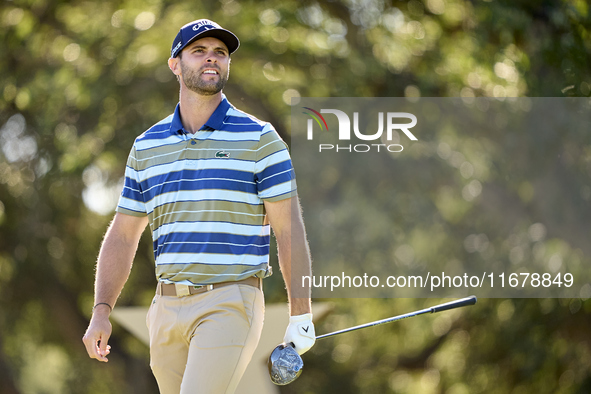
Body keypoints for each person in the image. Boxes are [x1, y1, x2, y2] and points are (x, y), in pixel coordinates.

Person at [82, 19, 315, 394]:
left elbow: (288, 228)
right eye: (199, 51)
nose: (212, 59)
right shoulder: (147, 146)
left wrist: (300, 313)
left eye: (220, 53)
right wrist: (101, 311)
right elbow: (124, 235)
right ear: (175, 64)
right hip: (165, 307)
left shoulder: (259, 138)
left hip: (231, 301)